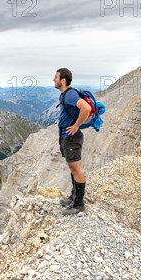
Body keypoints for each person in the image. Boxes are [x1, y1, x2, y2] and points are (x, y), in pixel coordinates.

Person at [53, 68, 92, 215]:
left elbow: (86, 108)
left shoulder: (70, 95)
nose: (54, 80)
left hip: (71, 138)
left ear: (63, 80)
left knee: (77, 169)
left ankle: (79, 204)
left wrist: (76, 125)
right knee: (73, 168)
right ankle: (73, 197)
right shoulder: (66, 95)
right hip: (66, 137)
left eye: (56, 77)